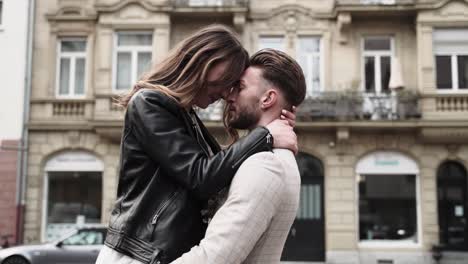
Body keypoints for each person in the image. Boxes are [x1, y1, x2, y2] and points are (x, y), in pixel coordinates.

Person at [95, 25, 298, 264]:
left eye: (234, 85)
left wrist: (275, 130)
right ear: (202, 62)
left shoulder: (186, 114)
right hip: (136, 255)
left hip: (157, 254)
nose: (225, 93)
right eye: (225, 81)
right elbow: (201, 175)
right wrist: (265, 135)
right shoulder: (150, 103)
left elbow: (214, 167)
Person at [170, 49, 306, 264]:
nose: (228, 96)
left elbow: (213, 258)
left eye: (240, 88)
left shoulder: (265, 165)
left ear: (268, 98)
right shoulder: (269, 157)